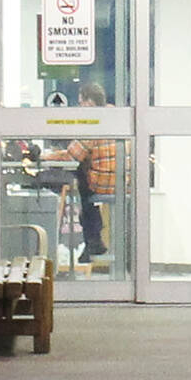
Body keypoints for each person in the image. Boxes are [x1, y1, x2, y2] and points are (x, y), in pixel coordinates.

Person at [63, 80, 118, 262]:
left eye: (81, 103)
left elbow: (73, 154)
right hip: (120, 181)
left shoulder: (95, 122)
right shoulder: (114, 115)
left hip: (103, 183)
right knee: (83, 175)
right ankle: (94, 241)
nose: (80, 107)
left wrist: (46, 156)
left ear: (90, 102)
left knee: (79, 175)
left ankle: (93, 241)